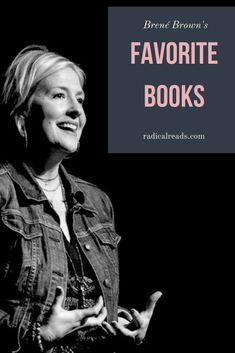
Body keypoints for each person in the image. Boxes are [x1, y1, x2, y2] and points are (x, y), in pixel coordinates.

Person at [0, 45, 162, 353]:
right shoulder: (3, 194)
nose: (77, 110)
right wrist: (39, 334)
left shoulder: (96, 201)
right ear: (22, 113)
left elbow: (83, 302)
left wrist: (119, 324)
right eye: (59, 96)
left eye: (80, 99)